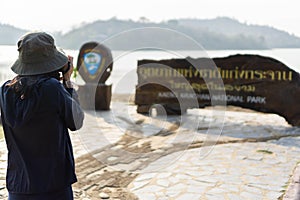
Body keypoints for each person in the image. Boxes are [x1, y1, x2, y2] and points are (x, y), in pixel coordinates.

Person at [0, 32, 84, 200]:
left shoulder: (5, 90)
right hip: (54, 185)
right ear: (51, 61)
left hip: (19, 185)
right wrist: (67, 81)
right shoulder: (53, 88)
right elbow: (76, 122)